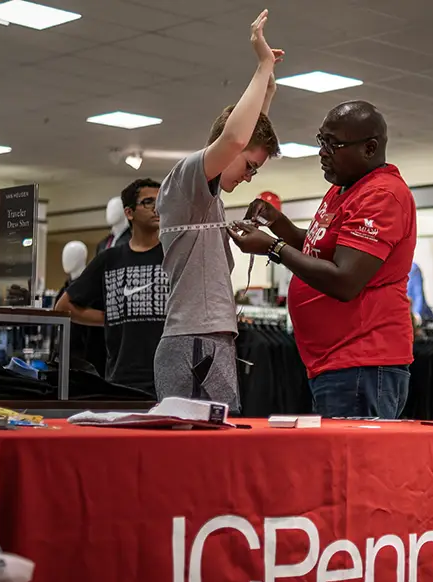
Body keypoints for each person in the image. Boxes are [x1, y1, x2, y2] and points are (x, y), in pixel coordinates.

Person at [230, 100, 417, 419]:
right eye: (321, 140)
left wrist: (274, 248)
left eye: (333, 143)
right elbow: (320, 247)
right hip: (336, 363)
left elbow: (345, 280)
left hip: (362, 363)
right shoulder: (344, 188)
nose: (322, 151)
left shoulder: (382, 196)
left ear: (369, 148)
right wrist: (279, 224)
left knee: (354, 467)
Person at [152, 9, 282, 413]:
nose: (249, 177)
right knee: (193, 456)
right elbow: (238, 136)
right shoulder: (186, 182)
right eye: (250, 166)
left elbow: (247, 136)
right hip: (194, 340)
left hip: (207, 338)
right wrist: (262, 66)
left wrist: (268, 88)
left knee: (215, 453)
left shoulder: (209, 200)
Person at [55, 178, 167, 396]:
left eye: (161, 200)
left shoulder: (174, 255)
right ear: (129, 213)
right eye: (148, 202)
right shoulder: (109, 259)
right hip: (121, 378)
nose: (157, 207)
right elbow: (63, 307)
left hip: (169, 378)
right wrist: (109, 318)